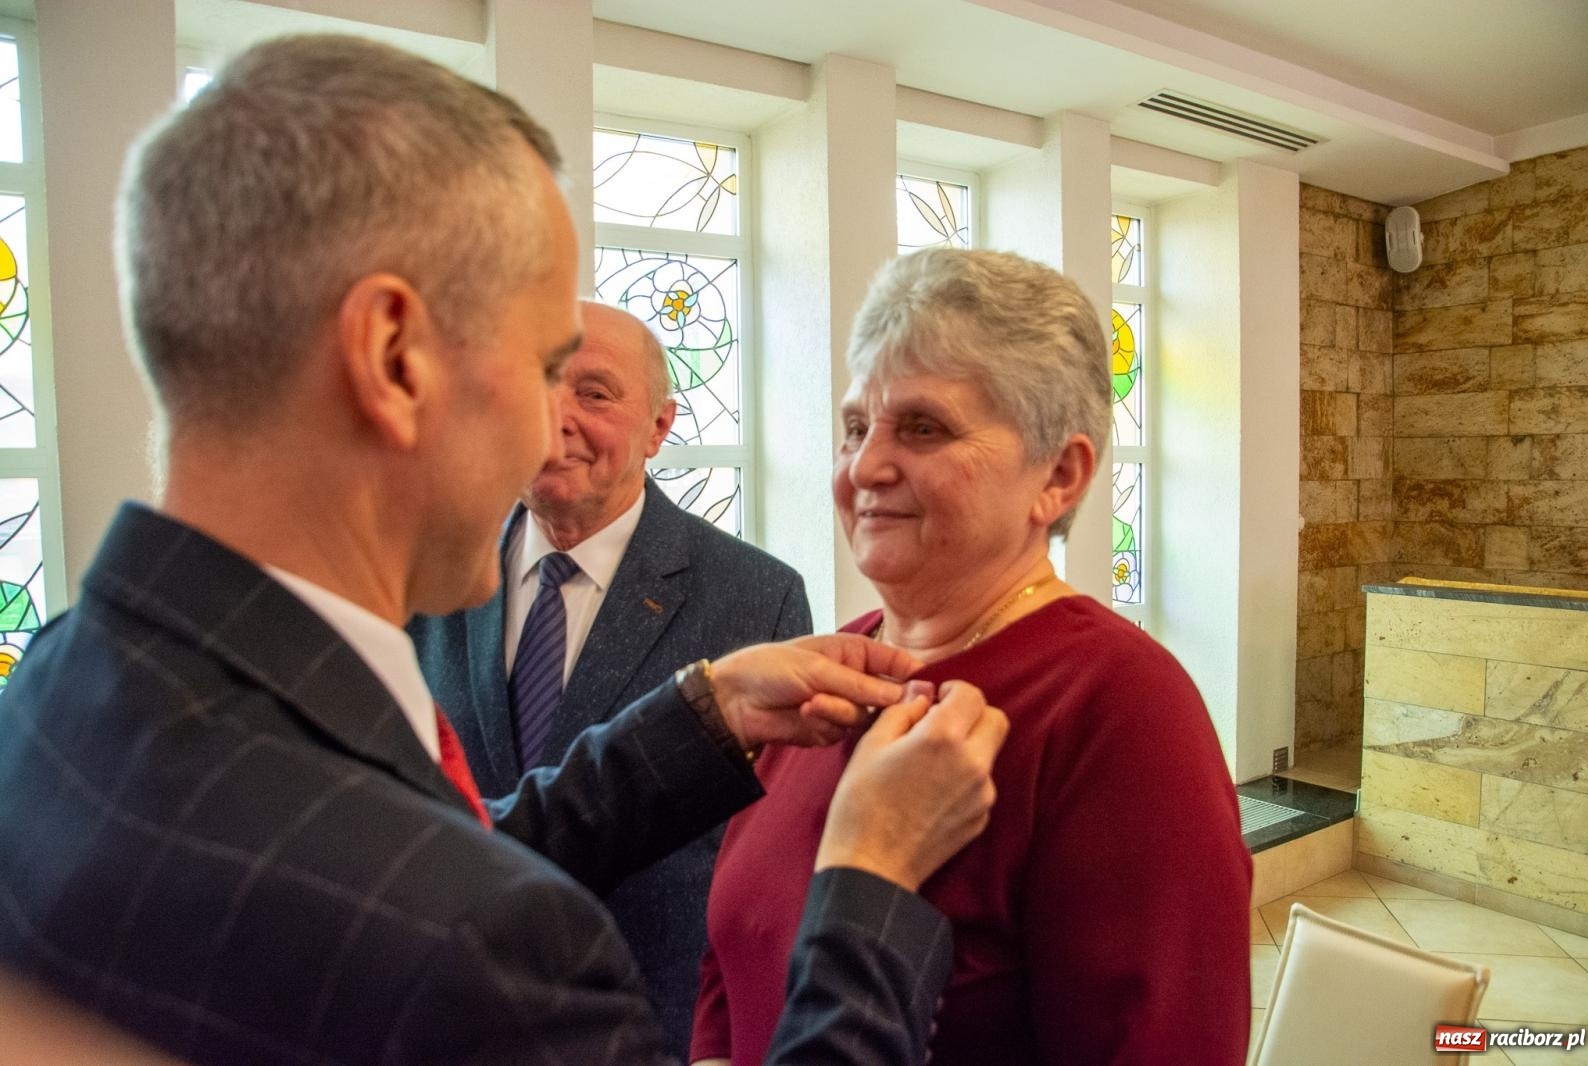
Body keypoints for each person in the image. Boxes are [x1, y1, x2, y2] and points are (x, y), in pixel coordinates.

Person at [0, 36, 1009, 1066]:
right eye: (539, 368)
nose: (549, 438)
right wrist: (871, 882)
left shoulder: (56, 683)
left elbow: (423, 847)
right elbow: (425, 892)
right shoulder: (485, 952)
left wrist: (701, 716)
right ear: (395, 358)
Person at [692, 249, 1252, 1066]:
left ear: (1058, 476)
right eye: (855, 427)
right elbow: (731, 952)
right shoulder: (823, 671)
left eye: (923, 427)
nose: (866, 467)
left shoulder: (1121, 707)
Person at [410, 298, 811, 1054]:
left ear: (660, 426)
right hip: (444, 1019)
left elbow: (770, 866)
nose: (555, 416)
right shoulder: (427, 574)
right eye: (539, 385)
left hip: (644, 1028)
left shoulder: (757, 596)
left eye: (593, 393)